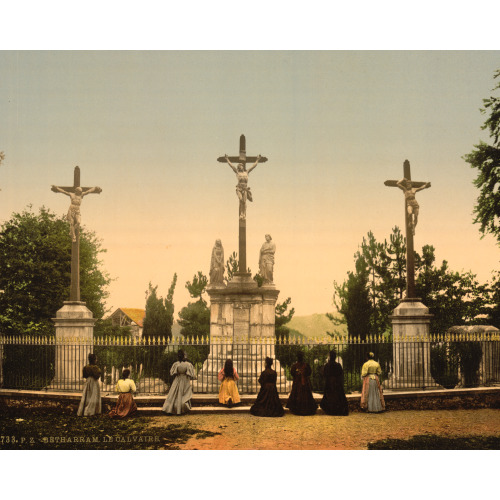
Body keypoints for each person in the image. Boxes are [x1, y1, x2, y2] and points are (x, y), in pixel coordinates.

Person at [224, 154, 262, 219]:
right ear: (238, 167)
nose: (241, 166)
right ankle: (241, 214)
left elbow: (253, 166)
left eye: (241, 166)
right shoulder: (237, 172)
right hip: (239, 188)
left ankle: (243, 214)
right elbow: (231, 166)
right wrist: (227, 159)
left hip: (245, 189)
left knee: (244, 202)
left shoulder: (246, 172)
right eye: (239, 166)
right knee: (241, 199)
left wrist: (257, 160)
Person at [162, 350, 196, 415]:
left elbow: (172, 373)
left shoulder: (176, 364)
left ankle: (171, 408)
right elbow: (192, 375)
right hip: (185, 380)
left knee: (174, 393)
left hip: (177, 379)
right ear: (184, 356)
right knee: (184, 394)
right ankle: (182, 407)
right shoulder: (188, 364)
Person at [286, 351, 317, 415]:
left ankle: (297, 409)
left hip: (297, 383)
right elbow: (309, 372)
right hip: (305, 382)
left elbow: (292, 373)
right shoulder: (306, 365)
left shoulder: (294, 366)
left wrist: (298, 376)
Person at [320, 350, 349, 416]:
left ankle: (331, 410)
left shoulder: (327, 365)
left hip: (329, 383)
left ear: (330, 357)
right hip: (337, 383)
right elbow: (341, 374)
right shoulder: (338, 365)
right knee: (337, 396)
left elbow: (324, 374)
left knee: (330, 396)